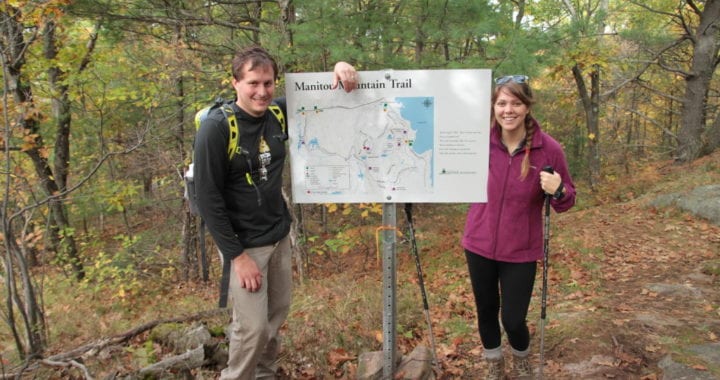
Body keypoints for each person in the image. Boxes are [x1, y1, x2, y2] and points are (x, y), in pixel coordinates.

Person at [193, 46, 358, 379]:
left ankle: (266, 375)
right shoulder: (216, 128)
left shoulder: (277, 113)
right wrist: (237, 257)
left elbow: (325, 98)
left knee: (274, 317)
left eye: (268, 83)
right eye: (253, 83)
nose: (262, 91)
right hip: (244, 245)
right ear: (235, 82)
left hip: (278, 236)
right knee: (251, 329)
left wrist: (340, 65)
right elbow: (207, 198)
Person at [461, 75, 576, 380]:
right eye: (501, 103)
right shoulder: (477, 143)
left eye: (515, 102)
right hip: (478, 243)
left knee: (512, 319)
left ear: (527, 107)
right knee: (486, 311)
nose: (507, 110)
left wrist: (559, 189)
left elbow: (566, 201)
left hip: (521, 250)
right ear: (493, 107)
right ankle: (494, 365)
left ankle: (521, 360)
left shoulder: (547, 149)